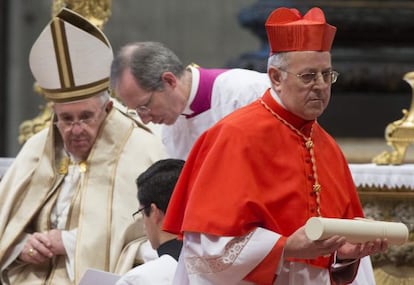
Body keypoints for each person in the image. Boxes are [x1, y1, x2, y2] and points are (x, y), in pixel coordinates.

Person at [163, 7, 388, 285]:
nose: (320, 86)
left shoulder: (328, 147)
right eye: (308, 76)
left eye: (326, 75)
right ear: (276, 77)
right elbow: (207, 251)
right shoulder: (234, 136)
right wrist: (286, 247)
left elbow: (330, 265)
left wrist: (345, 254)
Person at [0, 8, 166, 285]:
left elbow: (146, 238)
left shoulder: (140, 147)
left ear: (108, 107)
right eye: (66, 119)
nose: (76, 129)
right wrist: (22, 247)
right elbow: (6, 221)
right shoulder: (38, 147)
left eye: (86, 117)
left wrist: (68, 242)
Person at [110, 41, 270, 159]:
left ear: (169, 81)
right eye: (136, 111)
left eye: (144, 106)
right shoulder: (167, 132)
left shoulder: (245, 92)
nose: (144, 120)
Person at [116, 159, 185, 285]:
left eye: (141, 213)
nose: (144, 227)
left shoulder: (139, 280)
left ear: (154, 212)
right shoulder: (219, 266)